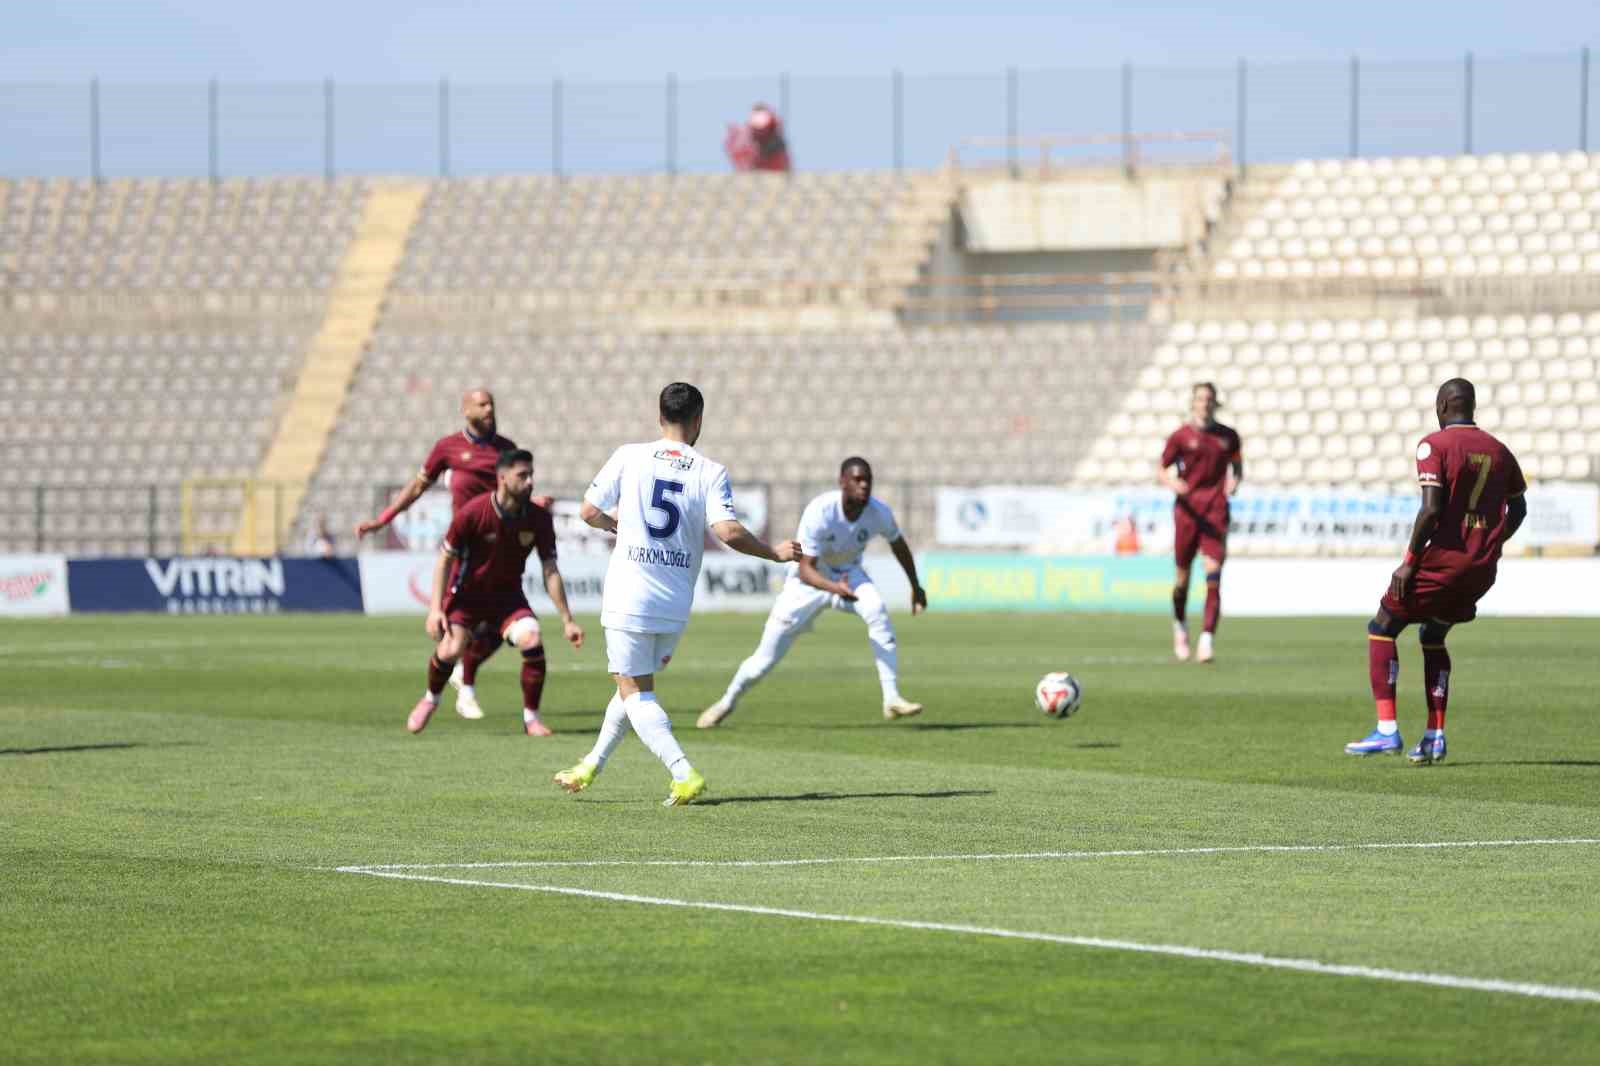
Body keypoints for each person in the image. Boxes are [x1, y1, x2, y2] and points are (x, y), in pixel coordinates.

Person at [553, 383, 801, 806]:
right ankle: (591, 764)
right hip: (674, 601)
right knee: (631, 687)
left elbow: (589, 512)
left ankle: (683, 772)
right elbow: (728, 531)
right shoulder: (709, 469)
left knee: (635, 691)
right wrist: (773, 553)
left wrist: (618, 525)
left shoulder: (629, 456)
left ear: (658, 415)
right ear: (699, 420)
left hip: (629, 594)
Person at [1345, 379, 1526, 765]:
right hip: (1481, 568)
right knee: (1433, 633)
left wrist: (1409, 561)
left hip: (1443, 561)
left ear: (1443, 406)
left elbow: (1430, 509)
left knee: (1382, 627)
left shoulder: (1434, 445)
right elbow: (1519, 510)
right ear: (1471, 406)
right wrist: (1491, 544)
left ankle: (1387, 731)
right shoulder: (1500, 451)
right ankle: (1435, 736)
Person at [697, 457, 927, 729]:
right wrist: (834, 589)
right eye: (857, 479)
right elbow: (806, 569)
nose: (864, 485)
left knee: (876, 609)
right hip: (806, 585)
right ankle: (726, 702)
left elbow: (898, 545)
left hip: (848, 574)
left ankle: (891, 698)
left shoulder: (879, 512)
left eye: (868, 480)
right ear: (842, 482)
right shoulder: (821, 511)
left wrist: (915, 586)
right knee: (763, 661)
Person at [357, 388, 524, 721]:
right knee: (456, 637)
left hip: (502, 549)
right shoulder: (447, 448)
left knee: (505, 627)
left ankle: (466, 677)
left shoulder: (507, 449)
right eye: (482, 404)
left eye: (492, 403)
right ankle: (443, 691)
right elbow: (418, 487)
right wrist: (383, 519)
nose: (490, 408)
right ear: (465, 410)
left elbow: (519, 492)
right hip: (466, 551)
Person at [407, 449, 583, 737]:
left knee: (532, 638)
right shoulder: (473, 513)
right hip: (466, 595)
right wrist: (436, 609)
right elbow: (444, 559)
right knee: (452, 649)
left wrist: (567, 619)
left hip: (507, 597)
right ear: (502, 478)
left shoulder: (538, 518)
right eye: (522, 476)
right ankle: (431, 698)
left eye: (531, 475)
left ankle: (531, 719)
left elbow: (550, 569)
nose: (530, 482)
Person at [1158, 383, 1242, 663]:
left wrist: (1234, 482)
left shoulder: (1228, 437)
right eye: (1199, 399)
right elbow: (1162, 468)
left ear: (1215, 403)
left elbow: (1237, 466)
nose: (1204, 403)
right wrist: (1172, 482)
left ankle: (1206, 640)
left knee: (1213, 576)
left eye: (1209, 399)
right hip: (1187, 514)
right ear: (1192, 403)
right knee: (1181, 581)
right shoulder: (1181, 437)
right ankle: (1180, 626)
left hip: (1216, 512)